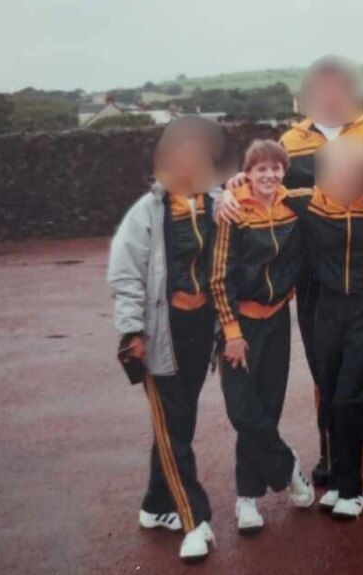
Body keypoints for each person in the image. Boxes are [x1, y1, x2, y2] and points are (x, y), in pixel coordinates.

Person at [219, 55, 363, 487]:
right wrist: (232, 188)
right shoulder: (290, 139)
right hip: (315, 277)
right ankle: (334, 455)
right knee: (327, 370)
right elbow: (270, 184)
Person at [108, 116, 223, 562]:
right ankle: (194, 519)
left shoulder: (215, 203)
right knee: (174, 430)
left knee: (179, 423)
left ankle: (156, 506)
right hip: (161, 333)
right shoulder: (147, 211)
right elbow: (125, 275)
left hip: (201, 330)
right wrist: (131, 330)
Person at [210, 139, 315, 534]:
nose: (269, 175)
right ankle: (289, 468)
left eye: (275, 168)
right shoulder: (232, 209)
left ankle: (247, 498)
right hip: (240, 326)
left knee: (267, 408)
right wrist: (232, 332)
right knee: (242, 410)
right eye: (260, 169)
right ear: (247, 173)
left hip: (277, 322)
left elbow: (342, 182)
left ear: (283, 172)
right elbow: (218, 279)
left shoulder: (296, 205)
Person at [295, 136, 363, 519]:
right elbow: (258, 187)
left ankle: (354, 487)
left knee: (351, 398)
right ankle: (338, 479)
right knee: (330, 396)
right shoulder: (309, 202)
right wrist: (232, 190)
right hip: (327, 310)